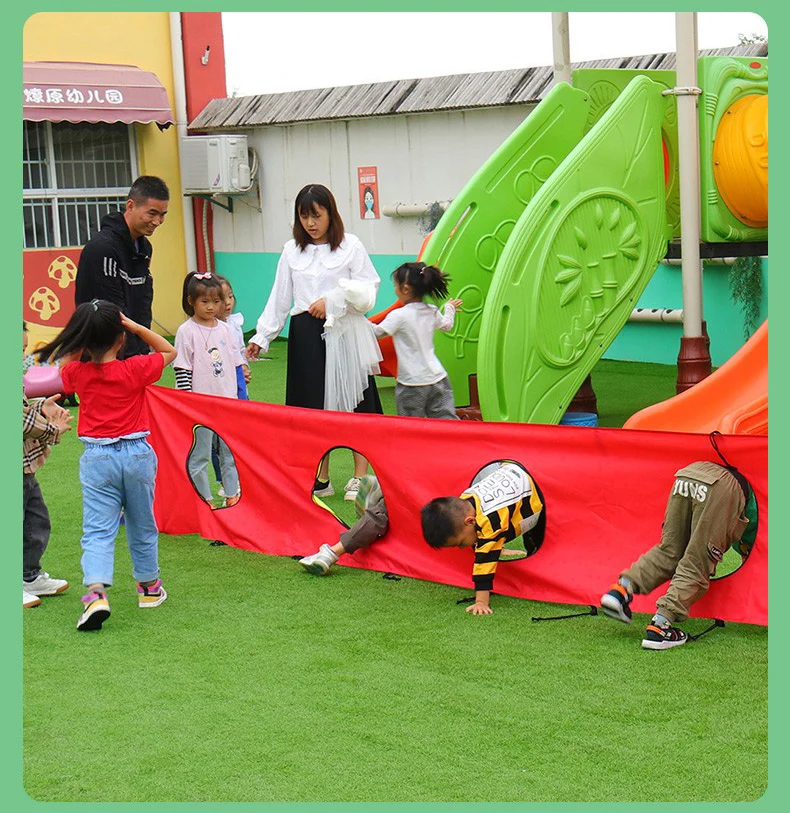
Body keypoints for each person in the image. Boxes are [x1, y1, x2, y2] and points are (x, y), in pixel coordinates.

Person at [36, 300, 177, 632]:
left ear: (85, 339)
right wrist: (136, 326)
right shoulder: (135, 369)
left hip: (98, 459)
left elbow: (63, 366)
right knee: (143, 523)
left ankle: (96, 594)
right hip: (138, 455)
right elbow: (169, 351)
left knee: (98, 530)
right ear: (121, 338)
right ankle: (149, 589)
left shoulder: (77, 374)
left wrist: (82, 340)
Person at [246, 183, 382, 501]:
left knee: (356, 403)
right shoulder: (292, 250)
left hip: (346, 332)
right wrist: (262, 336)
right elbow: (280, 296)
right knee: (311, 406)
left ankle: (359, 476)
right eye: (304, 216)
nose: (311, 223)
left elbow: (368, 291)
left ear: (330, 214)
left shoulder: (351, 246)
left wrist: (332, 300)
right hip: (306, 333)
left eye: (317, 215)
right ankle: (320, 475)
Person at [600, 460, 758, 650]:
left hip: (688, 474)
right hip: (722, 486)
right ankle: (661, 626)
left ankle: (620, 590)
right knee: (698, 561)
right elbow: (755, 536)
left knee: (669, 550)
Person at [421, 461, 546, 614]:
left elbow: (484, 565)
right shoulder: (466, 500)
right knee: (491, 534)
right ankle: (499, 547)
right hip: (510, 468)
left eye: (460, 543)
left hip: (532, 500)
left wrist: (481, 601)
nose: (462, 548)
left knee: (533, 538)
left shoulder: (490, 523)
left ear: (470, 521)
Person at [74, 175, 170, 358]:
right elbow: (111, 310)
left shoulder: (144, 247)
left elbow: (143, 302)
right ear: (130, 206)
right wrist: (131, 356)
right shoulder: (103, 247)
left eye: (163, 214)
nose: (157, 221)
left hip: (133, 355)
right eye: (152, 213)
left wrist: (143, 349)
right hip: (103, 358)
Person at [174, 272, 243, 508]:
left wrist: (237, 398)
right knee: (200, 454)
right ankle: (204, 499)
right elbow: (182, 369)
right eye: (205, 302)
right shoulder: (186, 331)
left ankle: (232, 495)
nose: (212, 307)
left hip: (227, 403)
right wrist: (188, 403)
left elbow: (235, 365)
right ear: (191, 301)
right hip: (200, 407)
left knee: (229, 453)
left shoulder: (226, 330)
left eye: (216, 301)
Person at [22, 322, 72, 608]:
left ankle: (29, 575)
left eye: (25, 349)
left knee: (36, 518)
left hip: (24, 465)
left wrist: (40, 404)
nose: (23, 356)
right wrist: (54, 430)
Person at [373, 261, 462, 419]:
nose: (395, 290)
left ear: (405, 288)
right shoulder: (432, 311)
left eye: (395, 286)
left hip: (412, 383)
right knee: (447, 423)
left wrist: (356, 322)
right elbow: (447, 325)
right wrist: (450, 308)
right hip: (439, 378)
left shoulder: (399, 316)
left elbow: (376, 333)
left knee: (411, 427)